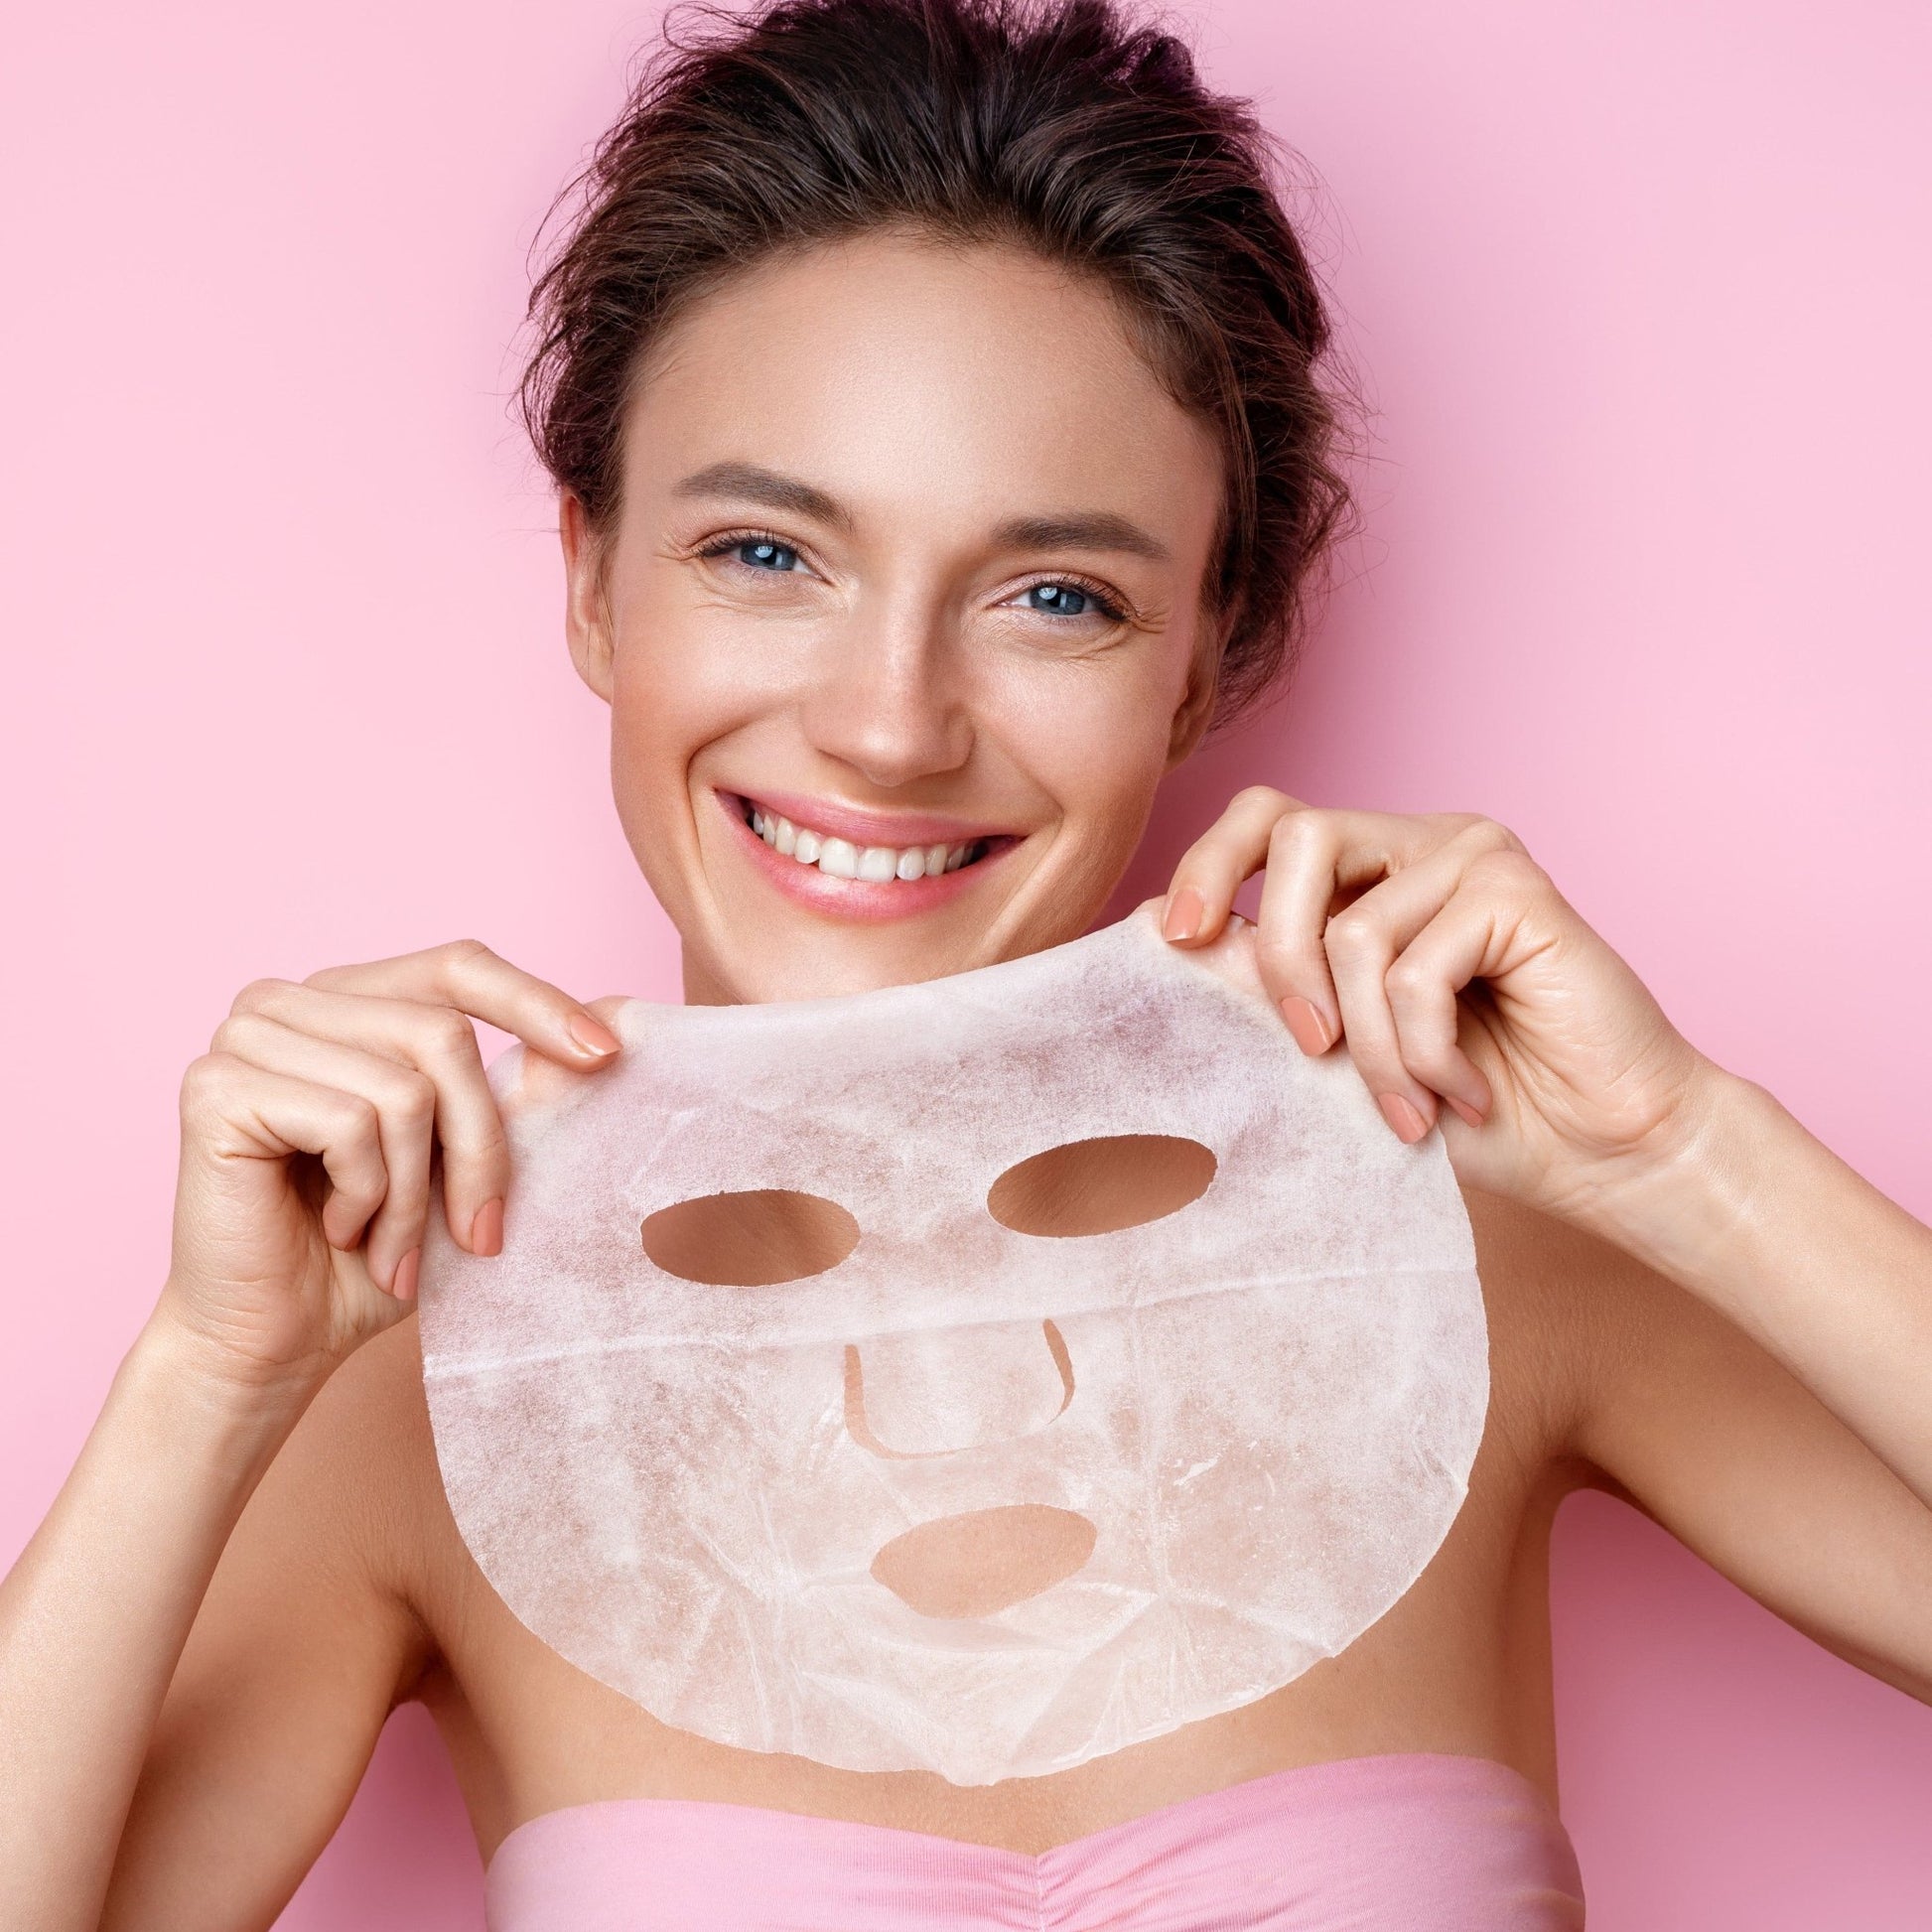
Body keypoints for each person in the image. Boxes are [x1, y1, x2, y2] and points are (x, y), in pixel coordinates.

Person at [4, 0, 1930, 1926]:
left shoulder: (1457, 1217)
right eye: (766, 554)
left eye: (1054, 595)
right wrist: (203, 1377)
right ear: (591, 577)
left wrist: (1686, 1157)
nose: (890, 726)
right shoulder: (413, 1341)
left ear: (1205, 661)